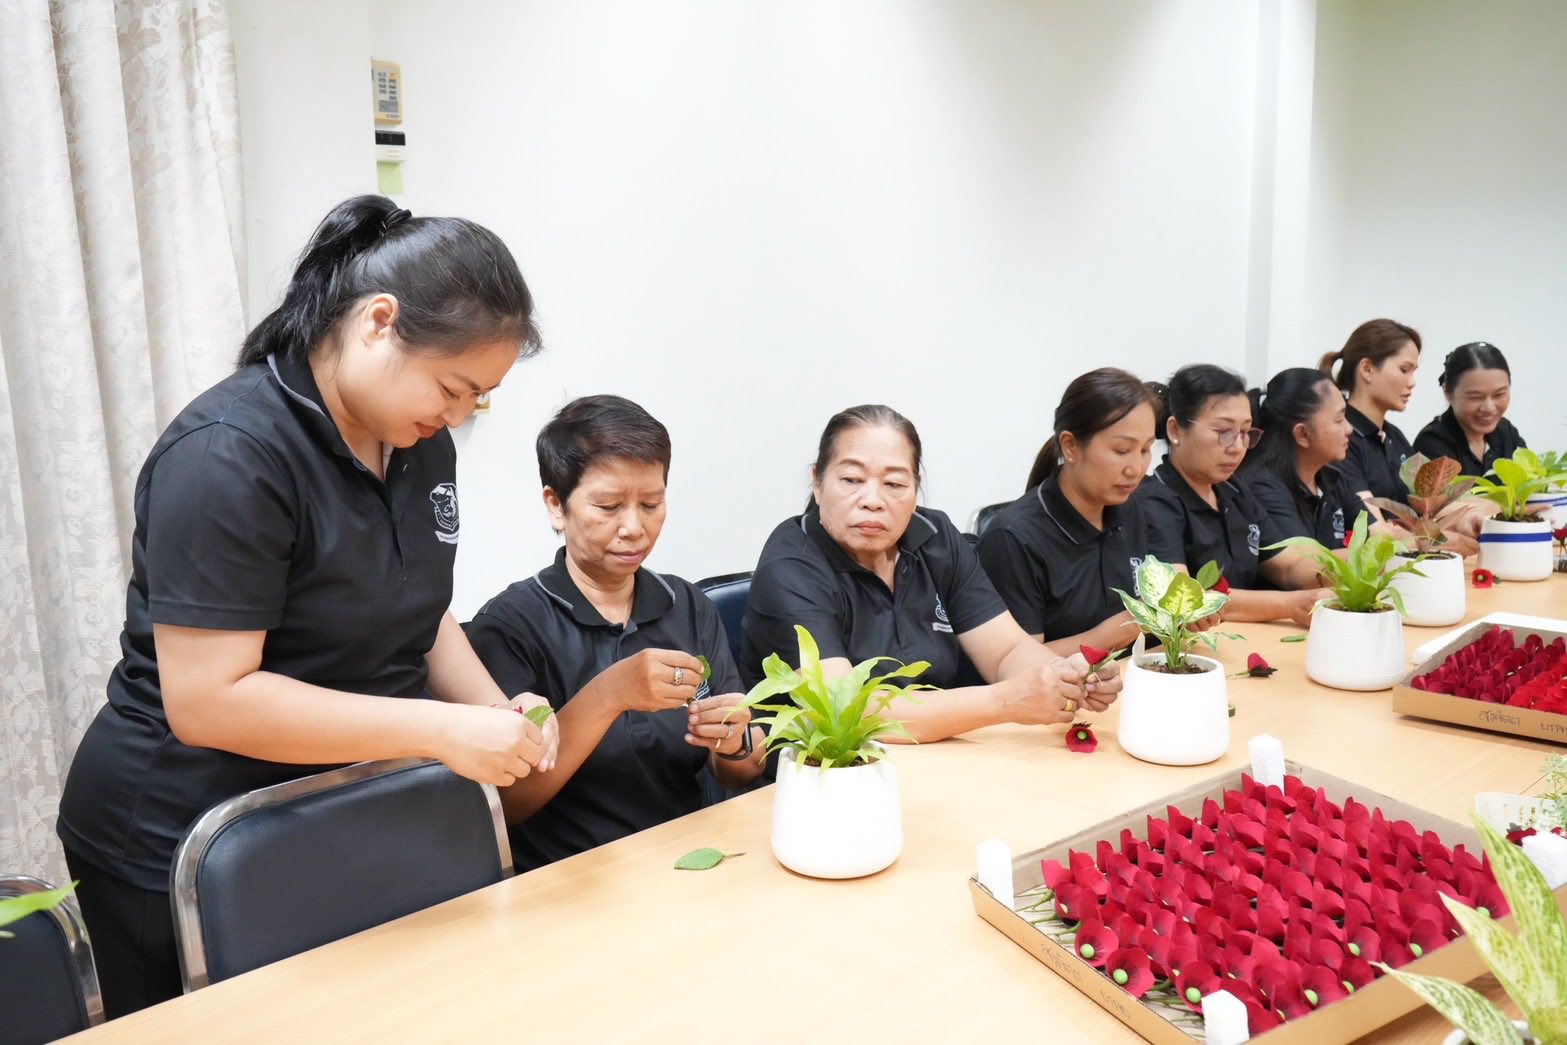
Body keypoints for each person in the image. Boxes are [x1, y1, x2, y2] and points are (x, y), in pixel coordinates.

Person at [55, 196, 555, 1018]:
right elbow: (209, 698)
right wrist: (441, 730)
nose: (458, 415)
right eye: (453, 387)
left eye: (479, 398)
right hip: (184, 833)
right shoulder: (229, 453)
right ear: (378, 322)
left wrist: (496, 711)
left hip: (329, 808)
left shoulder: (419, 443)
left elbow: (414, 604)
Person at [464, 396, 767, 871]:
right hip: (572, 877)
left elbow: (743, 770)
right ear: (556, 505)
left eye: (651, 504)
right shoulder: (510, 625)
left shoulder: (686, 604)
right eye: (608, 506)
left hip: (687, 858)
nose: (634, 527)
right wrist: (610, 694)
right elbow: (511, 804)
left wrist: (735, 743)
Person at [740, 404, 1121, 744]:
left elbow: (1006, 651)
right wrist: (1003, 701)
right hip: (826, 774)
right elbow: (845, 710)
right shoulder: (790, 567)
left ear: (915, 490)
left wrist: (1066, 678)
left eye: (894, 484)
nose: (872, 500)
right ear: (818, 483)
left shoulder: (935, 538)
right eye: (852, 480)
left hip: (938, 753)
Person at [977, 368, 1160, 655]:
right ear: (1071, 446)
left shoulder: (1131, 509)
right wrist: (1109, 635)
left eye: (1146, 450)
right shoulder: (1013, 539)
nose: (1136, 468)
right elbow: (1014, 662)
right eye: (1122, 450)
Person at [1132, 365, 1329, 625]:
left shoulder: (1235, 491)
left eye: (1245, 433)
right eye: (1223, 432)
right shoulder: (1155, 499)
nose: (1237, 447)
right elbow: (1183, 598)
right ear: (1175, 430)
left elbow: (1288, 566)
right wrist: (1291, 604)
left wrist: (1341, 574)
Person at [1241, 367, 1368, 548]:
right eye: (1339, 420)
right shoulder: (1263, 487)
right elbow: (1307, 559)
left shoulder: (1333, 479)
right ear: (1302, 434)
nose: (1349, 429)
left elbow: (1377, 535)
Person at [1319, 318, 1421, 506]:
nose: (1412, 382)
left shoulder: (1395, 437)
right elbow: (1367, 518)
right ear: (1367, 369)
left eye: (1413, 371)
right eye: (1404, 369)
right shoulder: (1341, 437)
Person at [1414, 342, 1526, 477]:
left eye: (1499, 394)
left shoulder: (1506, 433)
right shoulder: (1433, 443)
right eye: (1476, 397)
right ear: (1447, 392)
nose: (1489, 408)